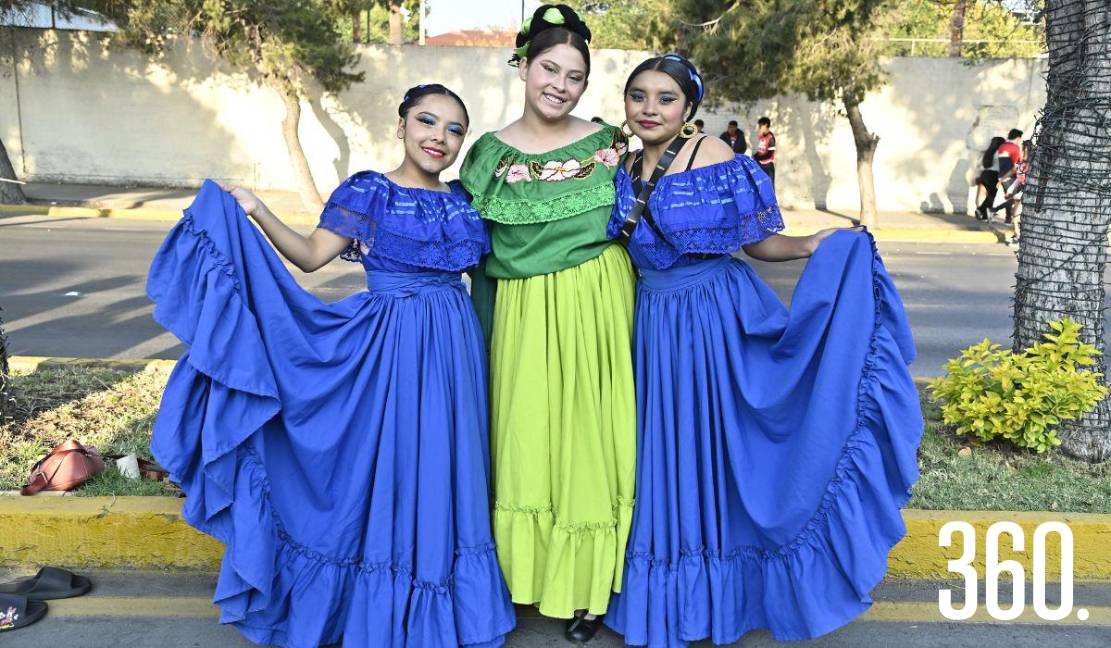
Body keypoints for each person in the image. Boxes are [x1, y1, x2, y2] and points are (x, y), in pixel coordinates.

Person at [147, 84, 516, 648]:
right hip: (388, 349)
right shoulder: (370, 192)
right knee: (386, 470)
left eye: (454, 129)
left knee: (446, 468)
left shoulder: (465, 201)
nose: (439, 138)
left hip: (454, 351)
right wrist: (255, 208)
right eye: (426, 121)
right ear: (400, 125)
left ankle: (440, 601)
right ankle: (378, 607)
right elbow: (311, 257)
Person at [602, 54, 924, 647]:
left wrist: (815, 243)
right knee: (667, 456)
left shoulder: (716, 158)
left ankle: (735, 590)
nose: (650, 108)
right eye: (639, 96)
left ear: (689, 108)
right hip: (653, 322)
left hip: (715, 319)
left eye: (666, 98)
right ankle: (680, 593)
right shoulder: (620, 167)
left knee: (727, 453)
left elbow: (759, 244)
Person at [458, 4, 635, 643]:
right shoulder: (486, 156)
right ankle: (523, 578)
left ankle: (589, 589)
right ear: (523, 67)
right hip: (521, 313)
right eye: (549, 69)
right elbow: (465, 245)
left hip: (598, 305)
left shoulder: (612, 144)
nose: (560, 84)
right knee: (525, 439)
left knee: (592, 441)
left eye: (576, 75)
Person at [992, 129, 1024, 224]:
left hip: (1001, 176)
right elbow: (1017, 164)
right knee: (1013, 198)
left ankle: (1007, 219)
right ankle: (1003, 216)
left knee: (1010, 197)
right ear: (1018, 138)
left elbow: (995, 160)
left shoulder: (1002, 146)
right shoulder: (1015, 148)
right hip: (1011, 176)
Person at [975, 136, 1006, 220]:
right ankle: (981, 211)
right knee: (991, 196)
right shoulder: (999, 152)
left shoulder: (989, 152)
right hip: (993, 175)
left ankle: (984, 215)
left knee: (990, 196)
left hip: (985, 174)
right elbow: (1002, 165)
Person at [752, 116, 776, 186]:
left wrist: (758, 158)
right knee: (760, 186)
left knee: (770, 188)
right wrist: (755, 156)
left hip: (768, 167)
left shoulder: (771, 137)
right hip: (760, 165)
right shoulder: (761, 136)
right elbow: (760, 150)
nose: (759, 127)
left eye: (760, 126)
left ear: (765, 125)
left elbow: (770, 154)